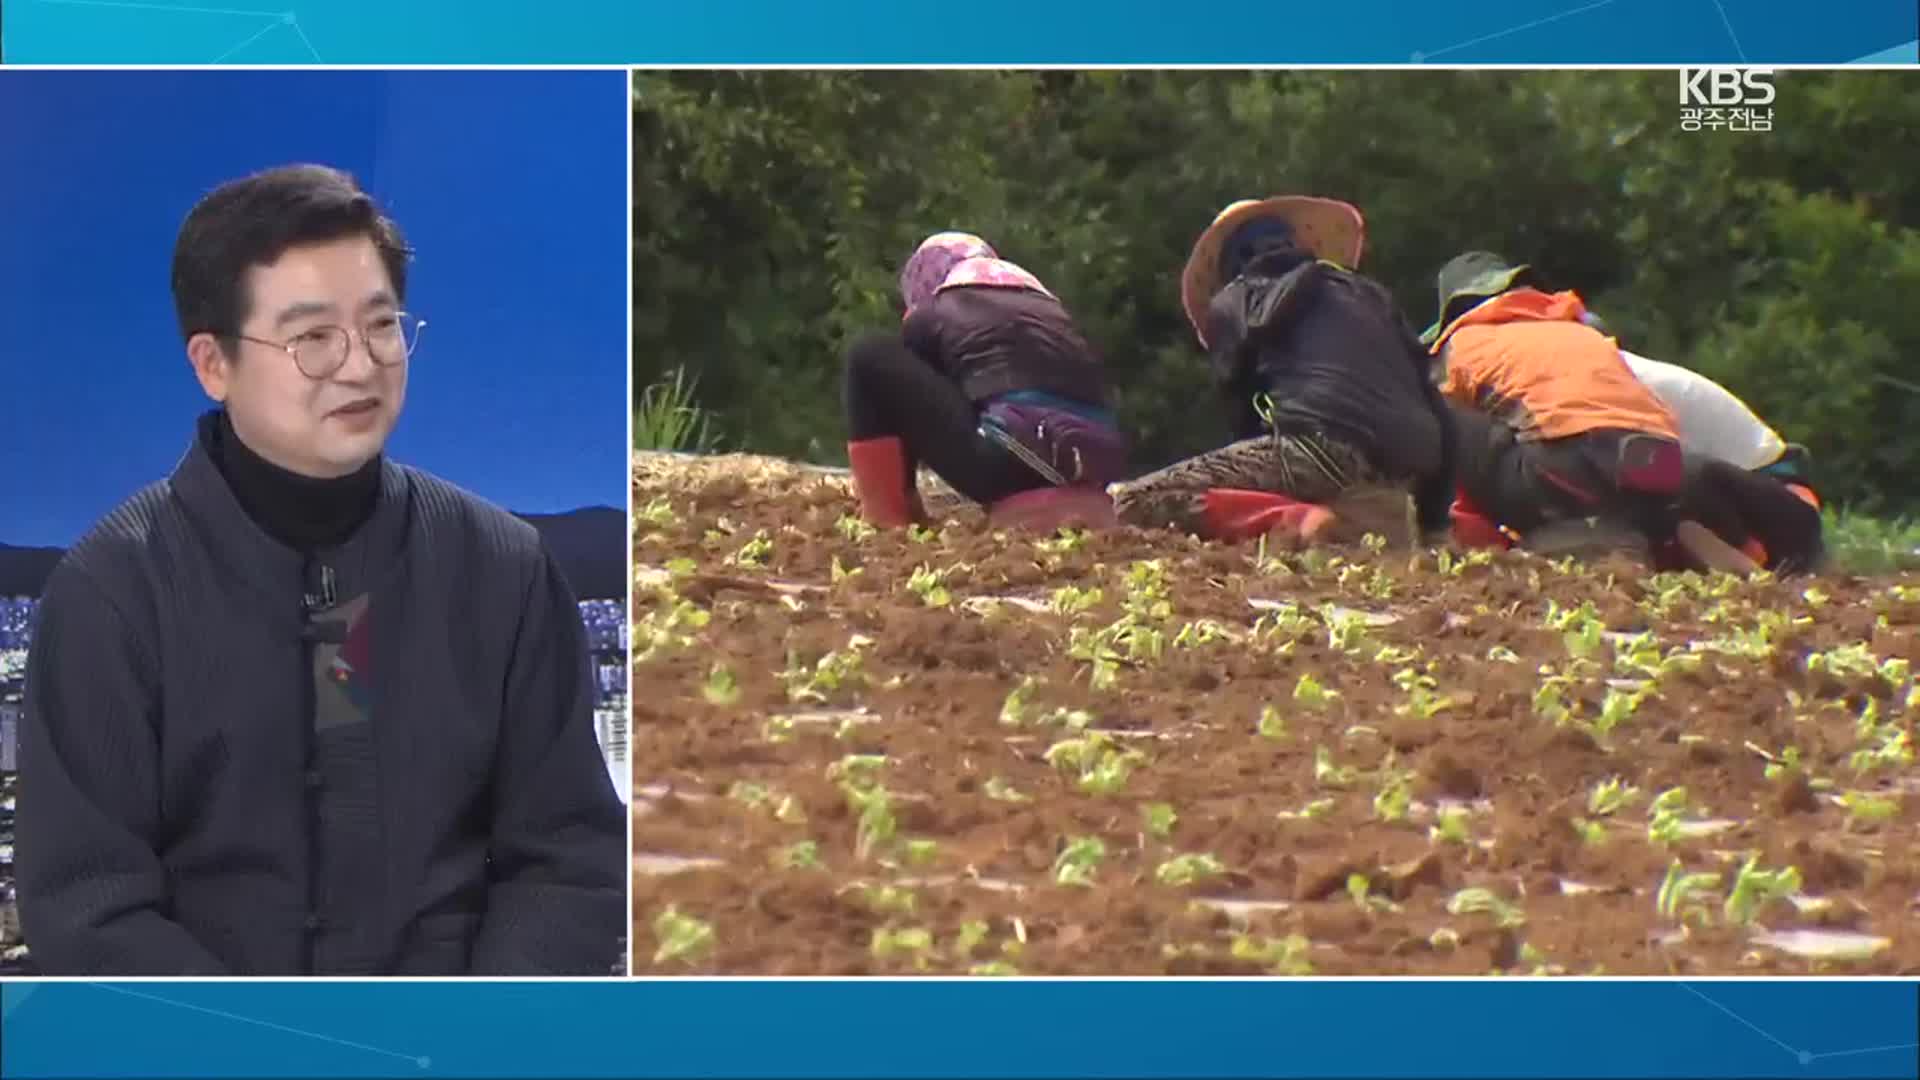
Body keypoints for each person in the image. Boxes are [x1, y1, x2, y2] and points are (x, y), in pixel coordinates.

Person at [17, 164, 626, 976]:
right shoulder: (113, 595)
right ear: (213, 363)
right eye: (312, 338)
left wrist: (474, 1041)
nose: (360, 365)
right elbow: (87, 909)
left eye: (381, 326)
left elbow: (570, 857)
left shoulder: (503, 571)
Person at [1109, 197, 1457, 546]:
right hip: (1408, 463)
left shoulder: (1233, 300)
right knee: (1368, 543)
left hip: (1320, 449)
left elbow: (1243, 422)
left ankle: (1298, 518)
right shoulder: (1371, 295)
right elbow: (1437, 406)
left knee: (1133, 500)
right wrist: (1435, 522)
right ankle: (1348, 526)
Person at [1419, 251, 1756, 573]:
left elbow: (1455, 458)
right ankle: (1668, 534)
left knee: (1438, 411)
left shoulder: (1462, 343)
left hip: (1563, 472)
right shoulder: (1584, 333)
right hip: (1660, 472)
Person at [842, 231, 1126, 528]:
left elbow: (908, 404)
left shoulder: (935, 309)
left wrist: (906, 486)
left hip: (1012, 464)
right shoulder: (1046, 306)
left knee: (868, 357)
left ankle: (887, 519)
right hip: (1095, 468)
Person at [1620, 351, 1826, 574]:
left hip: (1781, 510)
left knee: (1666, 467)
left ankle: (1750, 560)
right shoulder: (1607, 373)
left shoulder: (1628, 383)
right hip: (1734, 495)